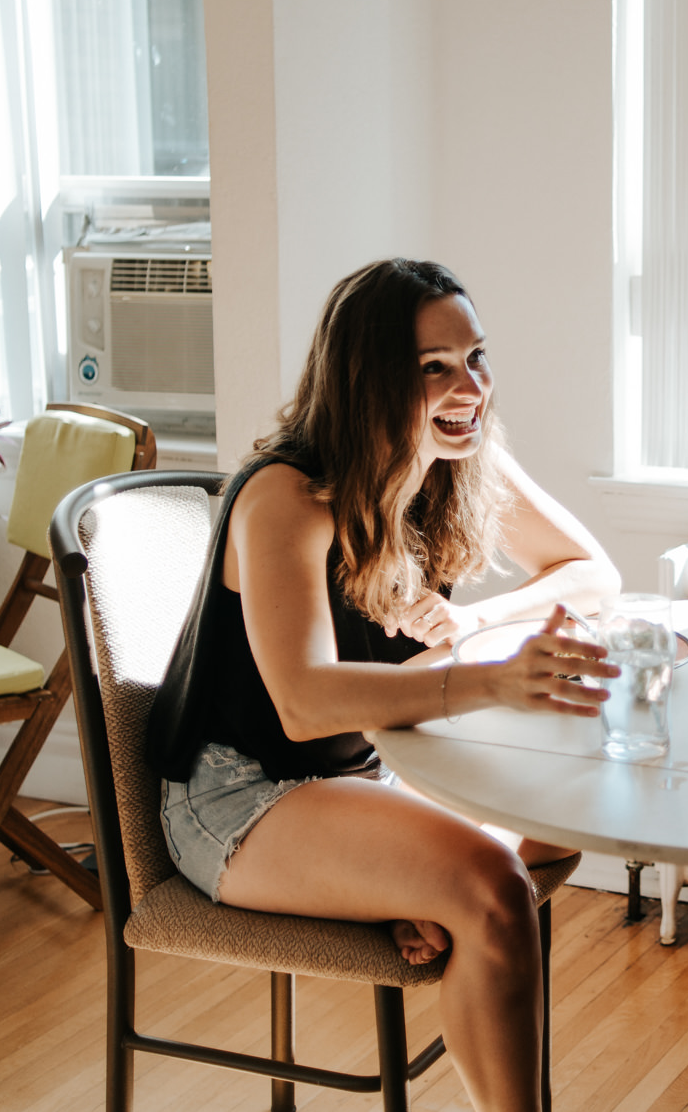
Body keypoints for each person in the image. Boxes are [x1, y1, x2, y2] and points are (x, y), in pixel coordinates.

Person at [147, 257, 622, 1112]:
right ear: (369, 379)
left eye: (476, 357)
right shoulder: (287, 494)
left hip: (366, 770)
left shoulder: (454, 456)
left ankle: (412, 885)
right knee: (496, 884)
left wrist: (474, 624)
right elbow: (304, 703)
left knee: (558, 827)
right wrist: (486, 682)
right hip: (243, 792)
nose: (469, 386)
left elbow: (592, 572)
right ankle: (433, 891)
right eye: (434, 366)